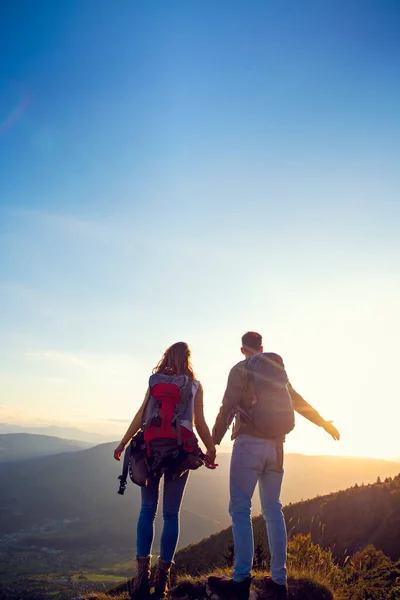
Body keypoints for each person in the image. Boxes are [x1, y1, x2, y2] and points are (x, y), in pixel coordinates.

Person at [208, 331, 340, 600]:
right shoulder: (276, 373)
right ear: (262, 348)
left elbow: (227, 408)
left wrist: (212, 446)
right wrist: (323, 423)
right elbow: (297, 401)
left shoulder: (239, 369)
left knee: (240, 508)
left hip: (248, 445)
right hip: (277, 447)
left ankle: (241, 580)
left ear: (242, 349)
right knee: (272, 509)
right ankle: (279, 581)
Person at [114, 341, 216, 600]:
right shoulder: (194, 386)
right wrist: (211, 449)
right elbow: (200, 422)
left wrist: (124, 442)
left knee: (147, 511)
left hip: (149, 452)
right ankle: (162, 579)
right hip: (180, 455)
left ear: (167, 357)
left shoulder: (154, 382)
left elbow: (141, 416)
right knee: (171, 514)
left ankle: (141, 578)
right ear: (188, 359)